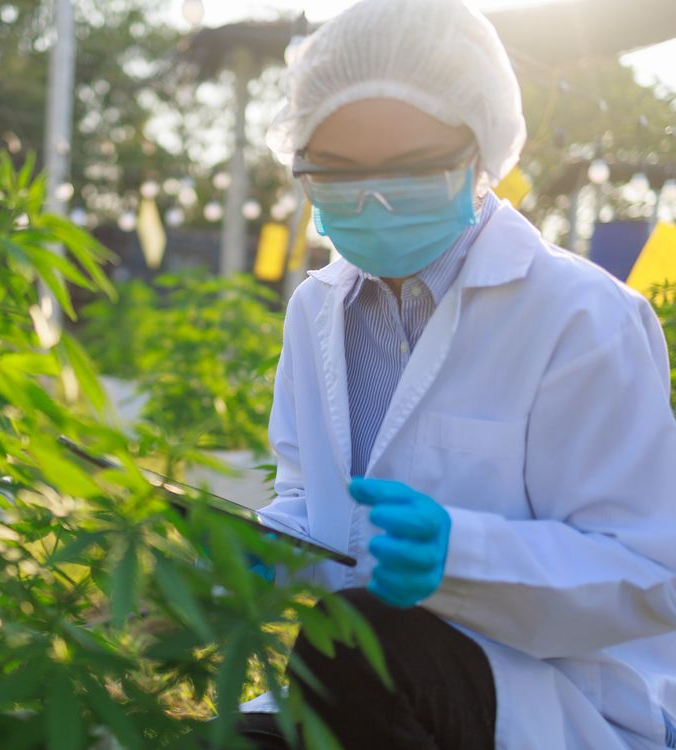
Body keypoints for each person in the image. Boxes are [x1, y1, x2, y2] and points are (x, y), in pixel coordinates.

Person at [239, 0, 676, 747]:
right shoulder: (316, 310)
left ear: (482, 156)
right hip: (374, 685)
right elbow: (316, 506)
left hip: (558, 696)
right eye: (339, 174)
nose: (373, 198)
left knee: (359, 640)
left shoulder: (583, 317)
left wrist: (462, 557)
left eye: (410, 169)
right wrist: (266, 550)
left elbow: (649, 575)